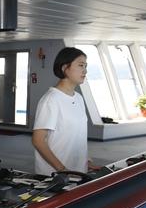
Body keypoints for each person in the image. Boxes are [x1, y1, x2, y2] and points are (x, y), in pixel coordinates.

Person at [31, 47, 97, 176]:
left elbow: (76, 135)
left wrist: (84, 161)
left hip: (78, 172)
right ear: (64, 68)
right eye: (80, 65)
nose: (85, 70)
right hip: (56, 175)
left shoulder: (78, 98)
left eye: (86, 66)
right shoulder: (51, 100)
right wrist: (62, 169)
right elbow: (38, 141)